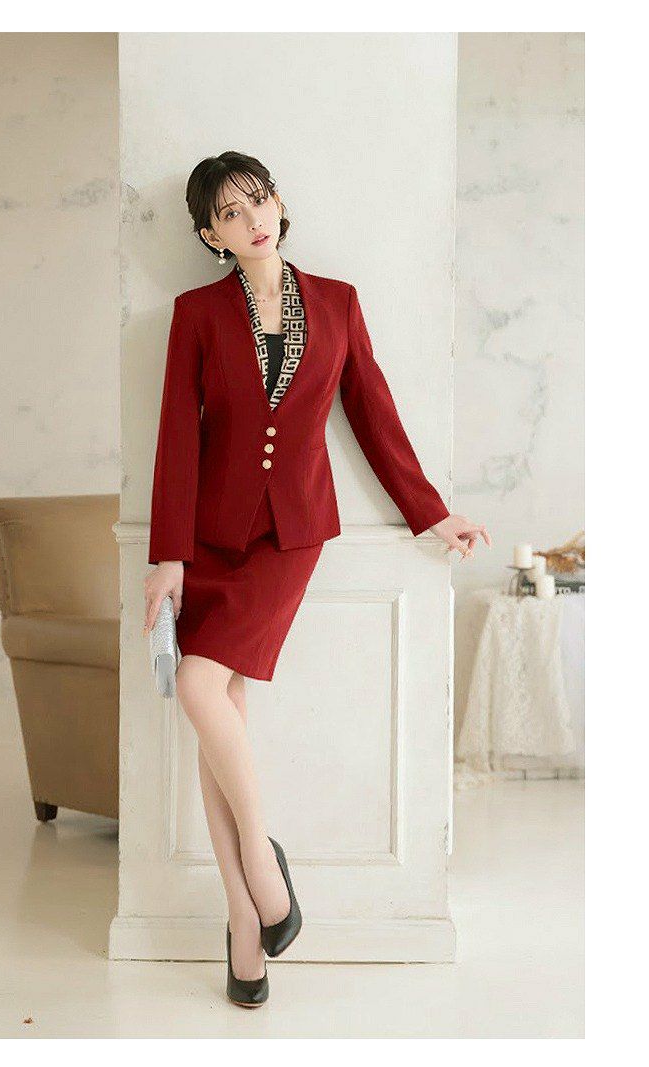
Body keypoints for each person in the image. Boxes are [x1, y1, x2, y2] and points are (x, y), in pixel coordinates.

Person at [143, 151, 491, 1007]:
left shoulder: (336, 302)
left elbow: (373, 412)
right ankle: (245, 920)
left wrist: (432, 512)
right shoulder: (195, 314)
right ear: (210, 234)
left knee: (202, 690)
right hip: (209, 539)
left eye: (258, 199)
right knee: (219, 709)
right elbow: (178, 434)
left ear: (278, 203)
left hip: (288, 537)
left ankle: (263, 869)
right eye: (230, 213)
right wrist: (167, 554)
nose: (251, 219)